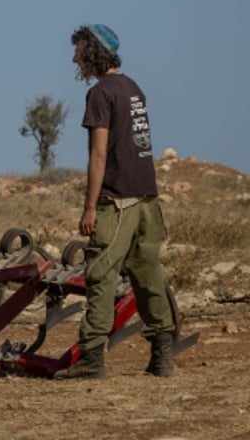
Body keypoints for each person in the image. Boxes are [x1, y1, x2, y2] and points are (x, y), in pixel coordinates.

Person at [55, 24, 175, 380]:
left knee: (101, 275)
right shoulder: (133, 88)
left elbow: (99, 154)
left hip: (118, 200)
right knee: (147, 275)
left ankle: (92, 358)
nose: (74, 58)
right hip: (147, 200)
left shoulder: (100, 93)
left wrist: (90, 207)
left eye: (78, 51)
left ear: (92, 52)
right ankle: (162, 356)